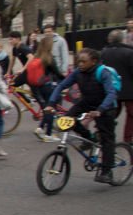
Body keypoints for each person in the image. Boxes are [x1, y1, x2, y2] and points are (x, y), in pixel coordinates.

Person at [46, 48, 119, 184]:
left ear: (94, 61)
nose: (80, 64)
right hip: (87, 102)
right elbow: (61, 86)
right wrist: (51, 104)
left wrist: (100, 110)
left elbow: (111, 93)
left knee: (107, 139)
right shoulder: (77, 72)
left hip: (106, 106)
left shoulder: (103, 72)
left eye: (84, 61)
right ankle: (89, 137)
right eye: (79, 61)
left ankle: (107, 171)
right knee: (66, 120)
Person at [28, 37, 66, 142]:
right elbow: (57, 73)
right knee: (51, 109)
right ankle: (48, 134)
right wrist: (67, 80)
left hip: (37, 87)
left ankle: (40, 128)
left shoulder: (36, 56)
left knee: (46, 108)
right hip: (47, 86)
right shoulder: (49, 58)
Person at [101, 29, 133, 144]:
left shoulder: (103, 52)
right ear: (122, 39)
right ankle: (127, 138)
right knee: (131, 114)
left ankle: (104, 133)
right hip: (129, 88)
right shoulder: (129, 52)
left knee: (112, 112)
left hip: (111, 88)